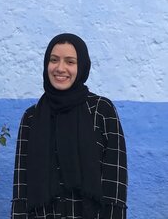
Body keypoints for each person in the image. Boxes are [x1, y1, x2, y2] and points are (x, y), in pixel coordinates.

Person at [11, 33, 127, 219]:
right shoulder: (31, 117)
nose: (60, 68)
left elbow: (115, 184)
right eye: (54, 60)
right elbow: (21, 187)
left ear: (81, 67)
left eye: (70, 62)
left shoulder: (101, 110)